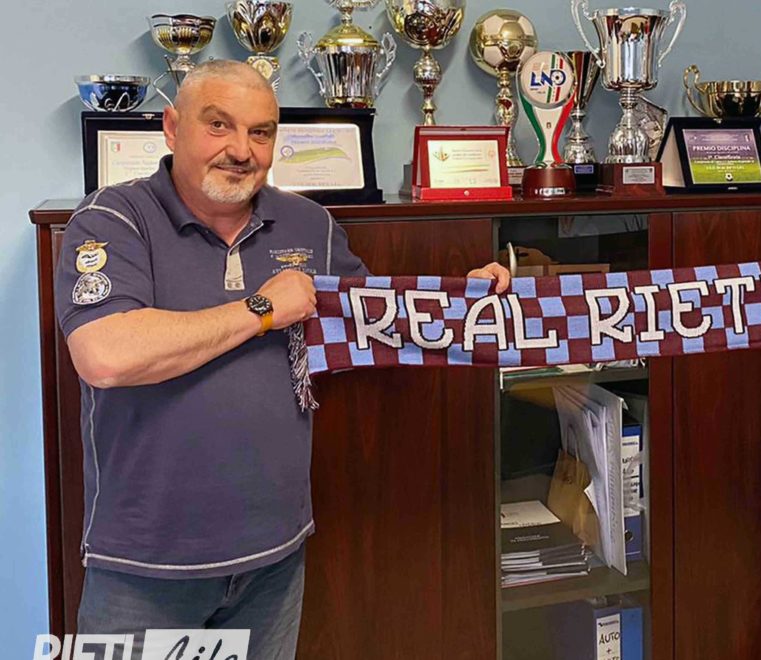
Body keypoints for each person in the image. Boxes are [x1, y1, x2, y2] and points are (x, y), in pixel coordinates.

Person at [55, 60, 510, 659]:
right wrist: (263, 308)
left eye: (261, 132)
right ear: (172, 127)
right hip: (145, 567)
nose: (241, 150)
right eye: (218, 125)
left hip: (273, 559)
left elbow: (375, 321)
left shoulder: (308, 223)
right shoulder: (113, 218)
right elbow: (106, 354)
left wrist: (465, 300)